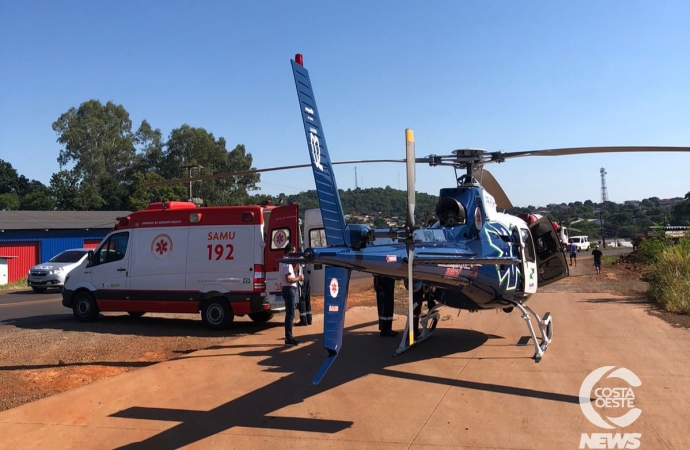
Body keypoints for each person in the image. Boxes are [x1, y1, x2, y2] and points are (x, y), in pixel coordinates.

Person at [280, 243, 304, 345]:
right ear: (290, 251)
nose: (295, 254)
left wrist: (297, 267)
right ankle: (289, 338)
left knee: (289, 313)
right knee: (290, 314)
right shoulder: (286, 262)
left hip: (288, 289)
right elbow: (288, 279)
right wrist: (299, 278)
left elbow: (290, 274)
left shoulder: (286, 262)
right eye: (294, 252)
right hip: (289, 289)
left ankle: (289, 337)